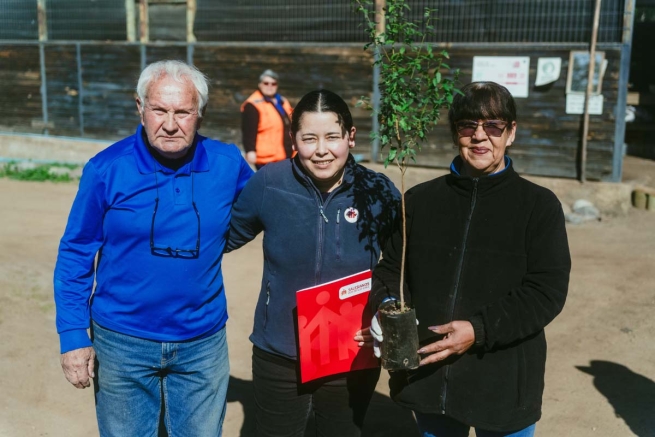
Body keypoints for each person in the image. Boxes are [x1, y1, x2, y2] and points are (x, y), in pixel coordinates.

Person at [53, 60, 253, 436]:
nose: (171, 123)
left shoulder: (228, 164)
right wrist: (74, 335)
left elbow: (261, 211)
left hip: (202, 342)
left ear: (201, 114)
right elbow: (76, 252)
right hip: (122, 341)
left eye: (183, 112)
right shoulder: (106, 169)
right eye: (159, 110)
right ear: (140, 108)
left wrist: (219, 242)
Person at [369, 81, 571, 437]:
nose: (480, 136)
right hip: (431, 377)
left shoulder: (538, 206)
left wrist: (478, 330)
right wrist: (386, 305)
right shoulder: (419, 201)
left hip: (503, 382)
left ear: (511, 133)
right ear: (455, 133)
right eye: (468, 125)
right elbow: (390, 269)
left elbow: (546, 291)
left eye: (493, 126)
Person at [227, 89, 401, 437]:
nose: (321, 150)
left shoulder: (378, 191)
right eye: (309, 138)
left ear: (351, 137)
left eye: (332, 137)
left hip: (352, 348)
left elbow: (400, 264)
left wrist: (388, 305)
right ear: (294, 139)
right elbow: (223, 238)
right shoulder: (269, 184)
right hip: (279, 350)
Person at [241, 69, 293, 169]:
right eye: (266, 83)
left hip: (284, 154)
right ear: (260, 84)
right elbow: (248, 131)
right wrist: (250, 151)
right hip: (266, 158)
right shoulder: (252, 105)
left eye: (273, 83)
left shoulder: (282, 101)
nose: (270, 86)